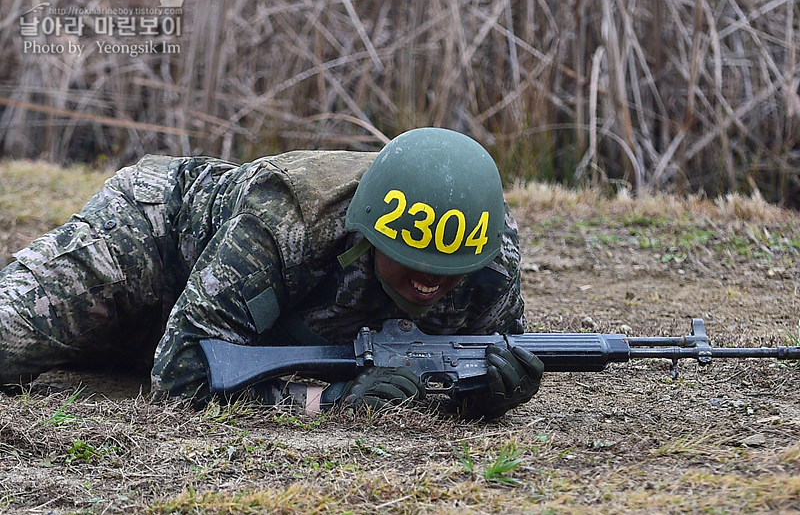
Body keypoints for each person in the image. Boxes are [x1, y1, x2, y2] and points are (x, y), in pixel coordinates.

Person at [0, 128, 543, 419]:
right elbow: (182, 372)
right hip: (151, 242)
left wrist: (494, 393)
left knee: (115, 359)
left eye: (450, 272)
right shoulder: (288, 218)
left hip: (239, 328)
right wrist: (327, 403)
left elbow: (492, 353)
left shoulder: (490, 254)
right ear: (367, 234)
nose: (431, 283)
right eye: (412, 262)